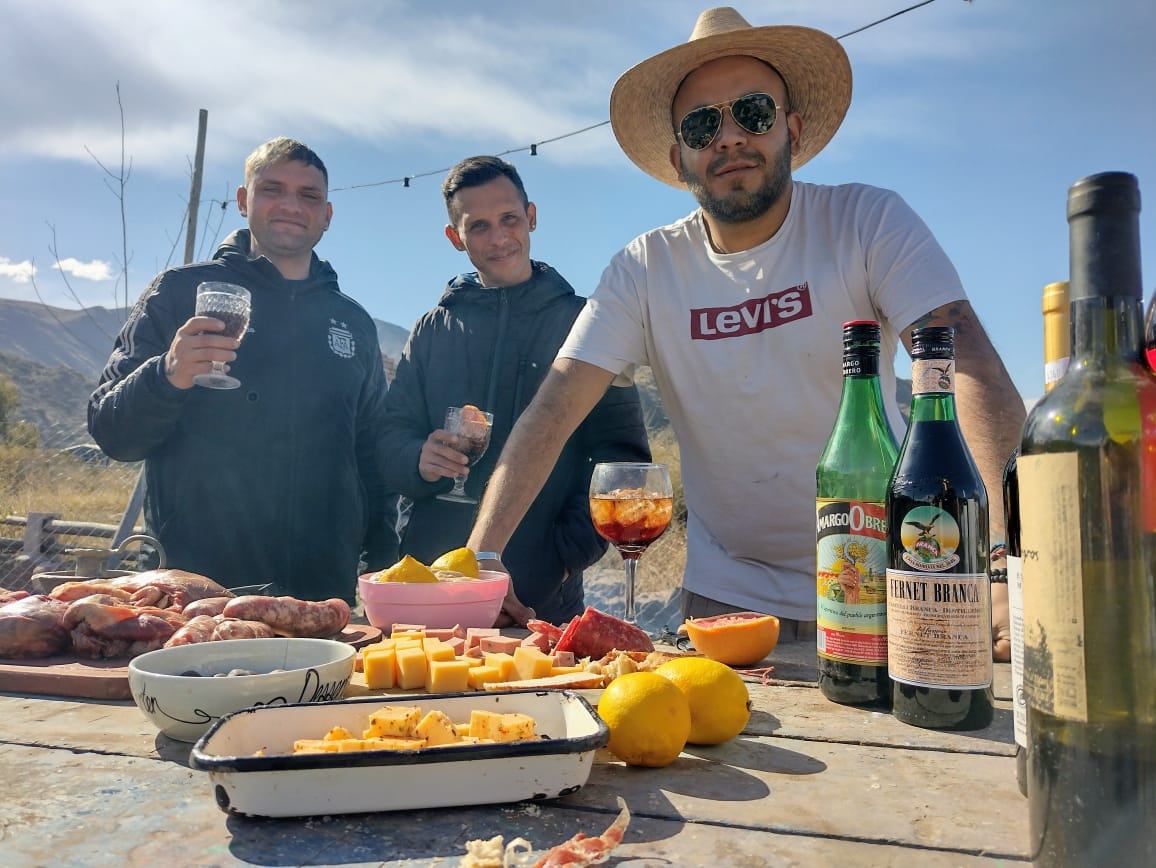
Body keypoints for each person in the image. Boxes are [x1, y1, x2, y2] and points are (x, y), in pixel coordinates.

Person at [467, 7, 1022, 656]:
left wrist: (1003, 559)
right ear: (680, 158)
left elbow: (965, 364)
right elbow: (555, 408)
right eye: (704, 124)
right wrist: (480, 557)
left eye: (752, 113)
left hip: (883, 582)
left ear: (791, 128)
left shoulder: (867, 222)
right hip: (723, 601)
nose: (729, 137)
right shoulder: (645, 268)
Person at [88, 137, 397, 603]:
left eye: (308, 195)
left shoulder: (353, 322)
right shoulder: (179, 292)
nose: (291, 205)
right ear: (242, 200)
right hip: (196, 585)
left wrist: (383, 558)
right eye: (272, 189)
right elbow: (112, 432)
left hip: (319, 591)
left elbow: (370, 450)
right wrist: (167, 373)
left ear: (327, 216)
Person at [380, 156, 651, 625]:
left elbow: (621, 462)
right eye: (478, 226)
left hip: (541, 599)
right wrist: (415, 459)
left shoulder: (586, 325)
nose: (499, 237)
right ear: (455, 238)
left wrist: (557, 561)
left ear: (531, 216)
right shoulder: (431, 330)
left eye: (509, 219)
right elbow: (386, 439)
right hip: (431, 591)